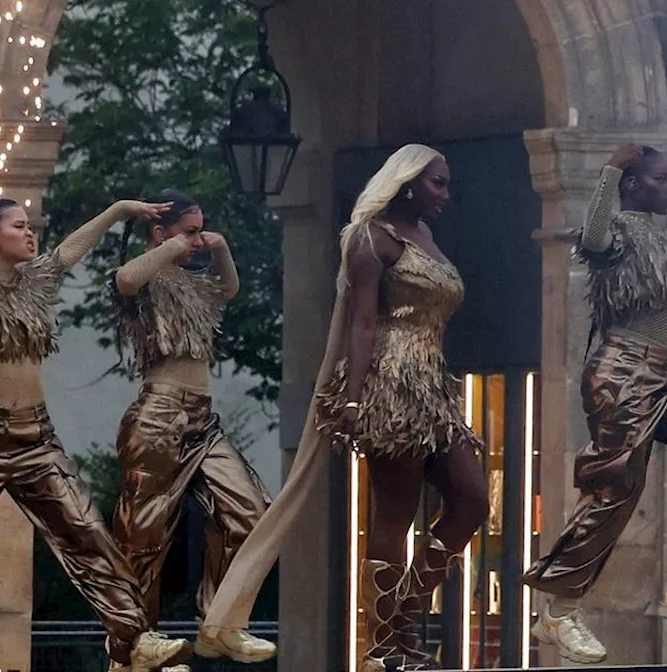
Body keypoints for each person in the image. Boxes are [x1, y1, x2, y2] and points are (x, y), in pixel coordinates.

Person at [195, 144, 488, 672]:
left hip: (434, 388)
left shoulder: (425, 236)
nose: (446, 193)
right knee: (394, 515)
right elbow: (362, 323)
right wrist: (353, 397)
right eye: (438, 183)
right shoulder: (373, 241)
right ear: (408, 183)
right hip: (391, 386)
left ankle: (403, 618)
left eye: (446, 183)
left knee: (472, 499)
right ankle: (387, 645)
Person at [0, 185, 192, 672]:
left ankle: (136, 641)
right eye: (19, 226)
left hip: (36, 440)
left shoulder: (34, 282)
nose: (30, 233)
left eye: (30, 226)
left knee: (89, 534)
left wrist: (118, 210)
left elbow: (70, 248)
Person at [522, 143, 667, 665]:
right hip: (623, 374)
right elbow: (594, 235)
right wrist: (609, 169)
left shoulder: (650, 239)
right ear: (632, 184)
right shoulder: (615, 231)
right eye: (662, 179)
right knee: (614, 490)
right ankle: (557, 611)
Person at [108, 189, 273, 664]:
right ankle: (133, 647)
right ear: (161, 233)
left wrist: (218, 248)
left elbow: (230, 289)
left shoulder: (194, 283)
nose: (198, 239)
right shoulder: (148, 276)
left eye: (201, 229)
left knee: (251, 512)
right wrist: (173, 245)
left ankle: (220, 623)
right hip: (159, 415)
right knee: (143, 535)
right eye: (190, 230)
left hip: (203, 419)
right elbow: (125, 278)